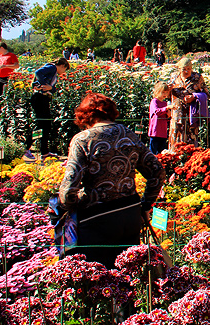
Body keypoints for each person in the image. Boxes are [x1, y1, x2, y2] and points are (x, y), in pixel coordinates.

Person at [58, 92, 164, 268]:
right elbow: (157, 171)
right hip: (129, 212)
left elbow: (68, 190)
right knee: (128, 275)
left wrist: (67, 207)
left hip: (97, 218)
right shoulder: (127, 133)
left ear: (85, 115)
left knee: (98, 278)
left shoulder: (83, 140)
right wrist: (145, 205)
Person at [24, 57, 70, 160]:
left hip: (43, 98)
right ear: (63, 66)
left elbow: (52, 89)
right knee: (41, 124)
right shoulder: (52, 68)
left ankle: (44, 151)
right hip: (39, 98)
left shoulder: (52, 71)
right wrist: (45, 85)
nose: (63, 73)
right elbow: (38, 72)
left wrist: (50, 87)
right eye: (65, 69)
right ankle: (26, 147)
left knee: (46, 126)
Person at [169, 57, 207, 150]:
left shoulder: (197, 78)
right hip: (177, 114)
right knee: (176, 138)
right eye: (184, 69)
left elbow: (206, 94)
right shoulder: (174, 77)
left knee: (191, 140)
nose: (186, 71)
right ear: (179, 69)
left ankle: (191, 162)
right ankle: (174, 160)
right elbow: (166, 94)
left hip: (192, 115)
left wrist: (194, 96)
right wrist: (168, 89)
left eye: (189, 69)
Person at [0, 42, 19, 113]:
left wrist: (6, 66)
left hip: (8, 77)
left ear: (2, 48)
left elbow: (16, 65)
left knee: (7, 94)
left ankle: (8, 110)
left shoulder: (11, 56)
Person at [148, 82, 171, 155]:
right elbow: (156, 112)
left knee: (161, 152)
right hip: (155, 131)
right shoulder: (154, 101)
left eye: (166, 92)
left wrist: (169, 115)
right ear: (157, 92)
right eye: (163, 92)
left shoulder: (165, 103)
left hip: (163, 132)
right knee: (153, 151)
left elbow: (166, 117)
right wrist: (167, 108)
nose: (165, 94)